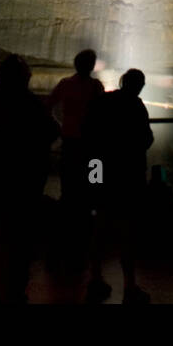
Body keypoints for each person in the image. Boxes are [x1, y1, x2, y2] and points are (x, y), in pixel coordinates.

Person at [0, 54, 59, 304]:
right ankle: (15, 290)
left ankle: (0, 288)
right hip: (26, 180)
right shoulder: (29, 103)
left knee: (1, 233)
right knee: (21, 237)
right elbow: (51, 130)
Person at [85, 68, 153, 304]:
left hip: (105, 172)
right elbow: (146, 139)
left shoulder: (105, 101)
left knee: (100, 226)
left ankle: (95, 278)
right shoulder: (136, 106)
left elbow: (90, 130)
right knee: (128, 230)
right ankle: (130, 285)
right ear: (139, 85)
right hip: (129, 175)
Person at [49, 50, 105, 264]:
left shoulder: (65, 84)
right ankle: (86, 240)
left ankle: (64, 241)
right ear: (90, 66)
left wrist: (59, 125)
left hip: (71, 143)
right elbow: (102, 114)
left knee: (68, 189)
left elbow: (49, 104)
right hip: (91, 147)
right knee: (91, 189)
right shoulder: (96, 87)